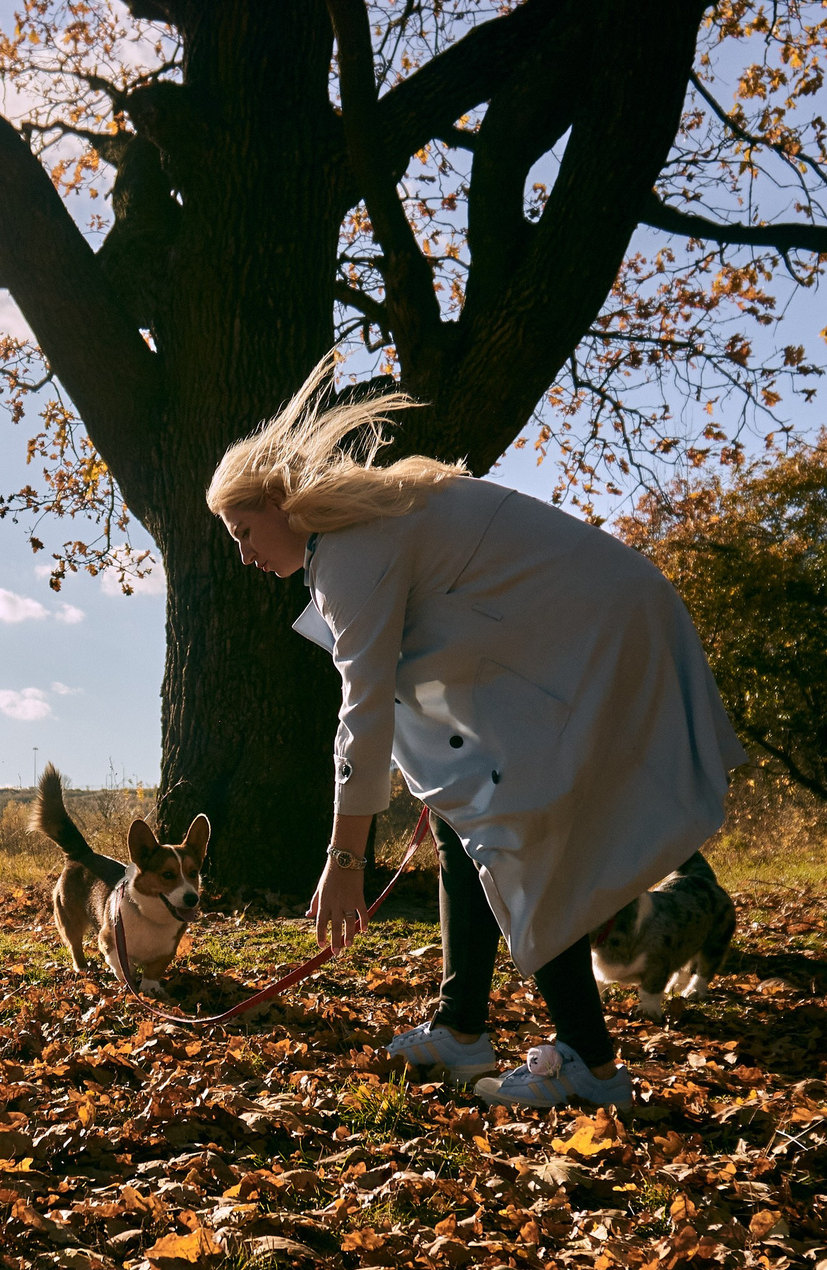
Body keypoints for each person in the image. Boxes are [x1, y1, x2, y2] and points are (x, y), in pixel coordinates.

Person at [209, 355, 745, 1108]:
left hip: (596, 639)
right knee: (474, 816)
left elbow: (363, 711)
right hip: (585, 633)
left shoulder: (352, 551)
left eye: (242, 529)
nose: (244, 553)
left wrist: (344, 859)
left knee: (515, 831)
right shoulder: (370, 526)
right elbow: (452, 641)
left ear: (279, 501)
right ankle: (463, 1028)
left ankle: (589, 1063)